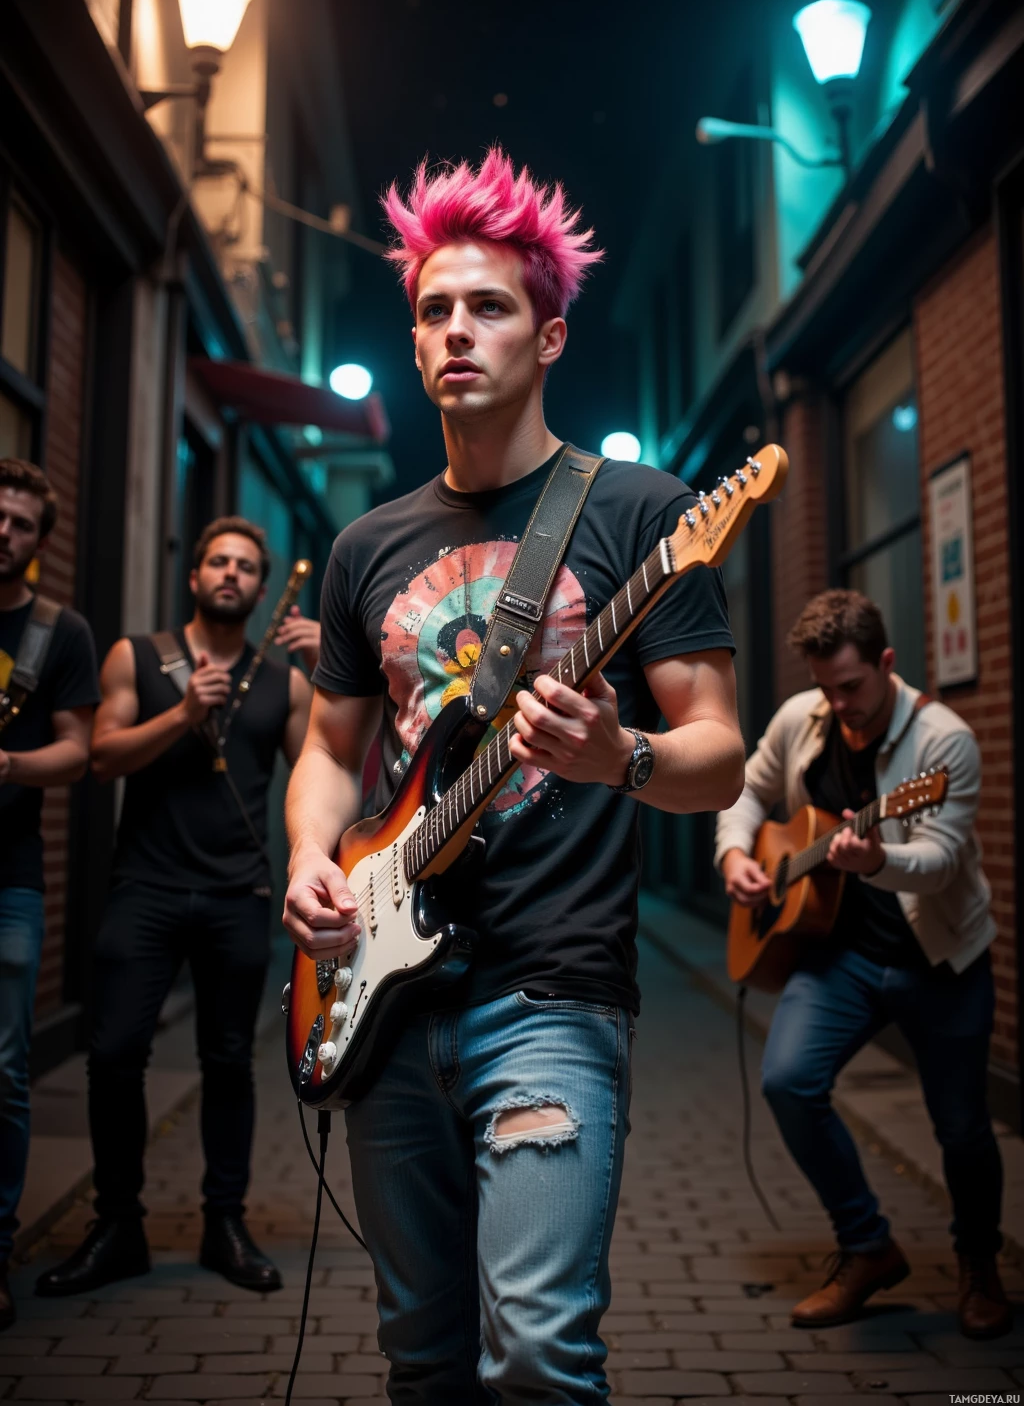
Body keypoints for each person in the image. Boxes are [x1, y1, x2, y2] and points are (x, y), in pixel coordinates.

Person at [283, 147, 745, 1403]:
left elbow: (717, 756)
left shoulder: (643, 512)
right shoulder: (366, 545)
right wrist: (313, 860)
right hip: (381, 992)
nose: (455, 330)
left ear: (547, 337)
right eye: (434, 307)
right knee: (420, 1356)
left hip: (551, 990)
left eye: (487, 307)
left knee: (537, 1351)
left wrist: (620, 754)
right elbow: (330, 750)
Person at [37, 517, 318, 1298]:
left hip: (239, 895)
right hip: (147, 889)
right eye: (218, 562)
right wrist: (184, 713)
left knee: (229, 1062)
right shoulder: (139, 656)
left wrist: (331, 672)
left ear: (263, 589)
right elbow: (100, 759)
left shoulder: (282, 681)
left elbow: (326, 776)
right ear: (194, 576)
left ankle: (224, 1223)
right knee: (116, 1055)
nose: (231, 574)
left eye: (246, 567)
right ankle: (116, 1224)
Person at [717, 588, 1009, 1338]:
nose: (838, 703)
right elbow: (742, 792)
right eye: (824, 688)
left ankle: (980, 1265)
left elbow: (942, 862)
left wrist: (877, 860)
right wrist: (733, 855)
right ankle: (866, 1248)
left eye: (850, 686)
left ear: (885, 663)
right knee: (787, 1080)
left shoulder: (944, 745)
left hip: (938, 958)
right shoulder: (801, 720)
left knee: (963, 1131)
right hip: (837, 952)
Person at [0, 459, 99, 1330]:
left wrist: (7, 764)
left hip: (10, 878)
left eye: (22, 523)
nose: (4, 531)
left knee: (2, 1071)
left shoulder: (56, 633)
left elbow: (80, 750)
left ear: (40, 540)